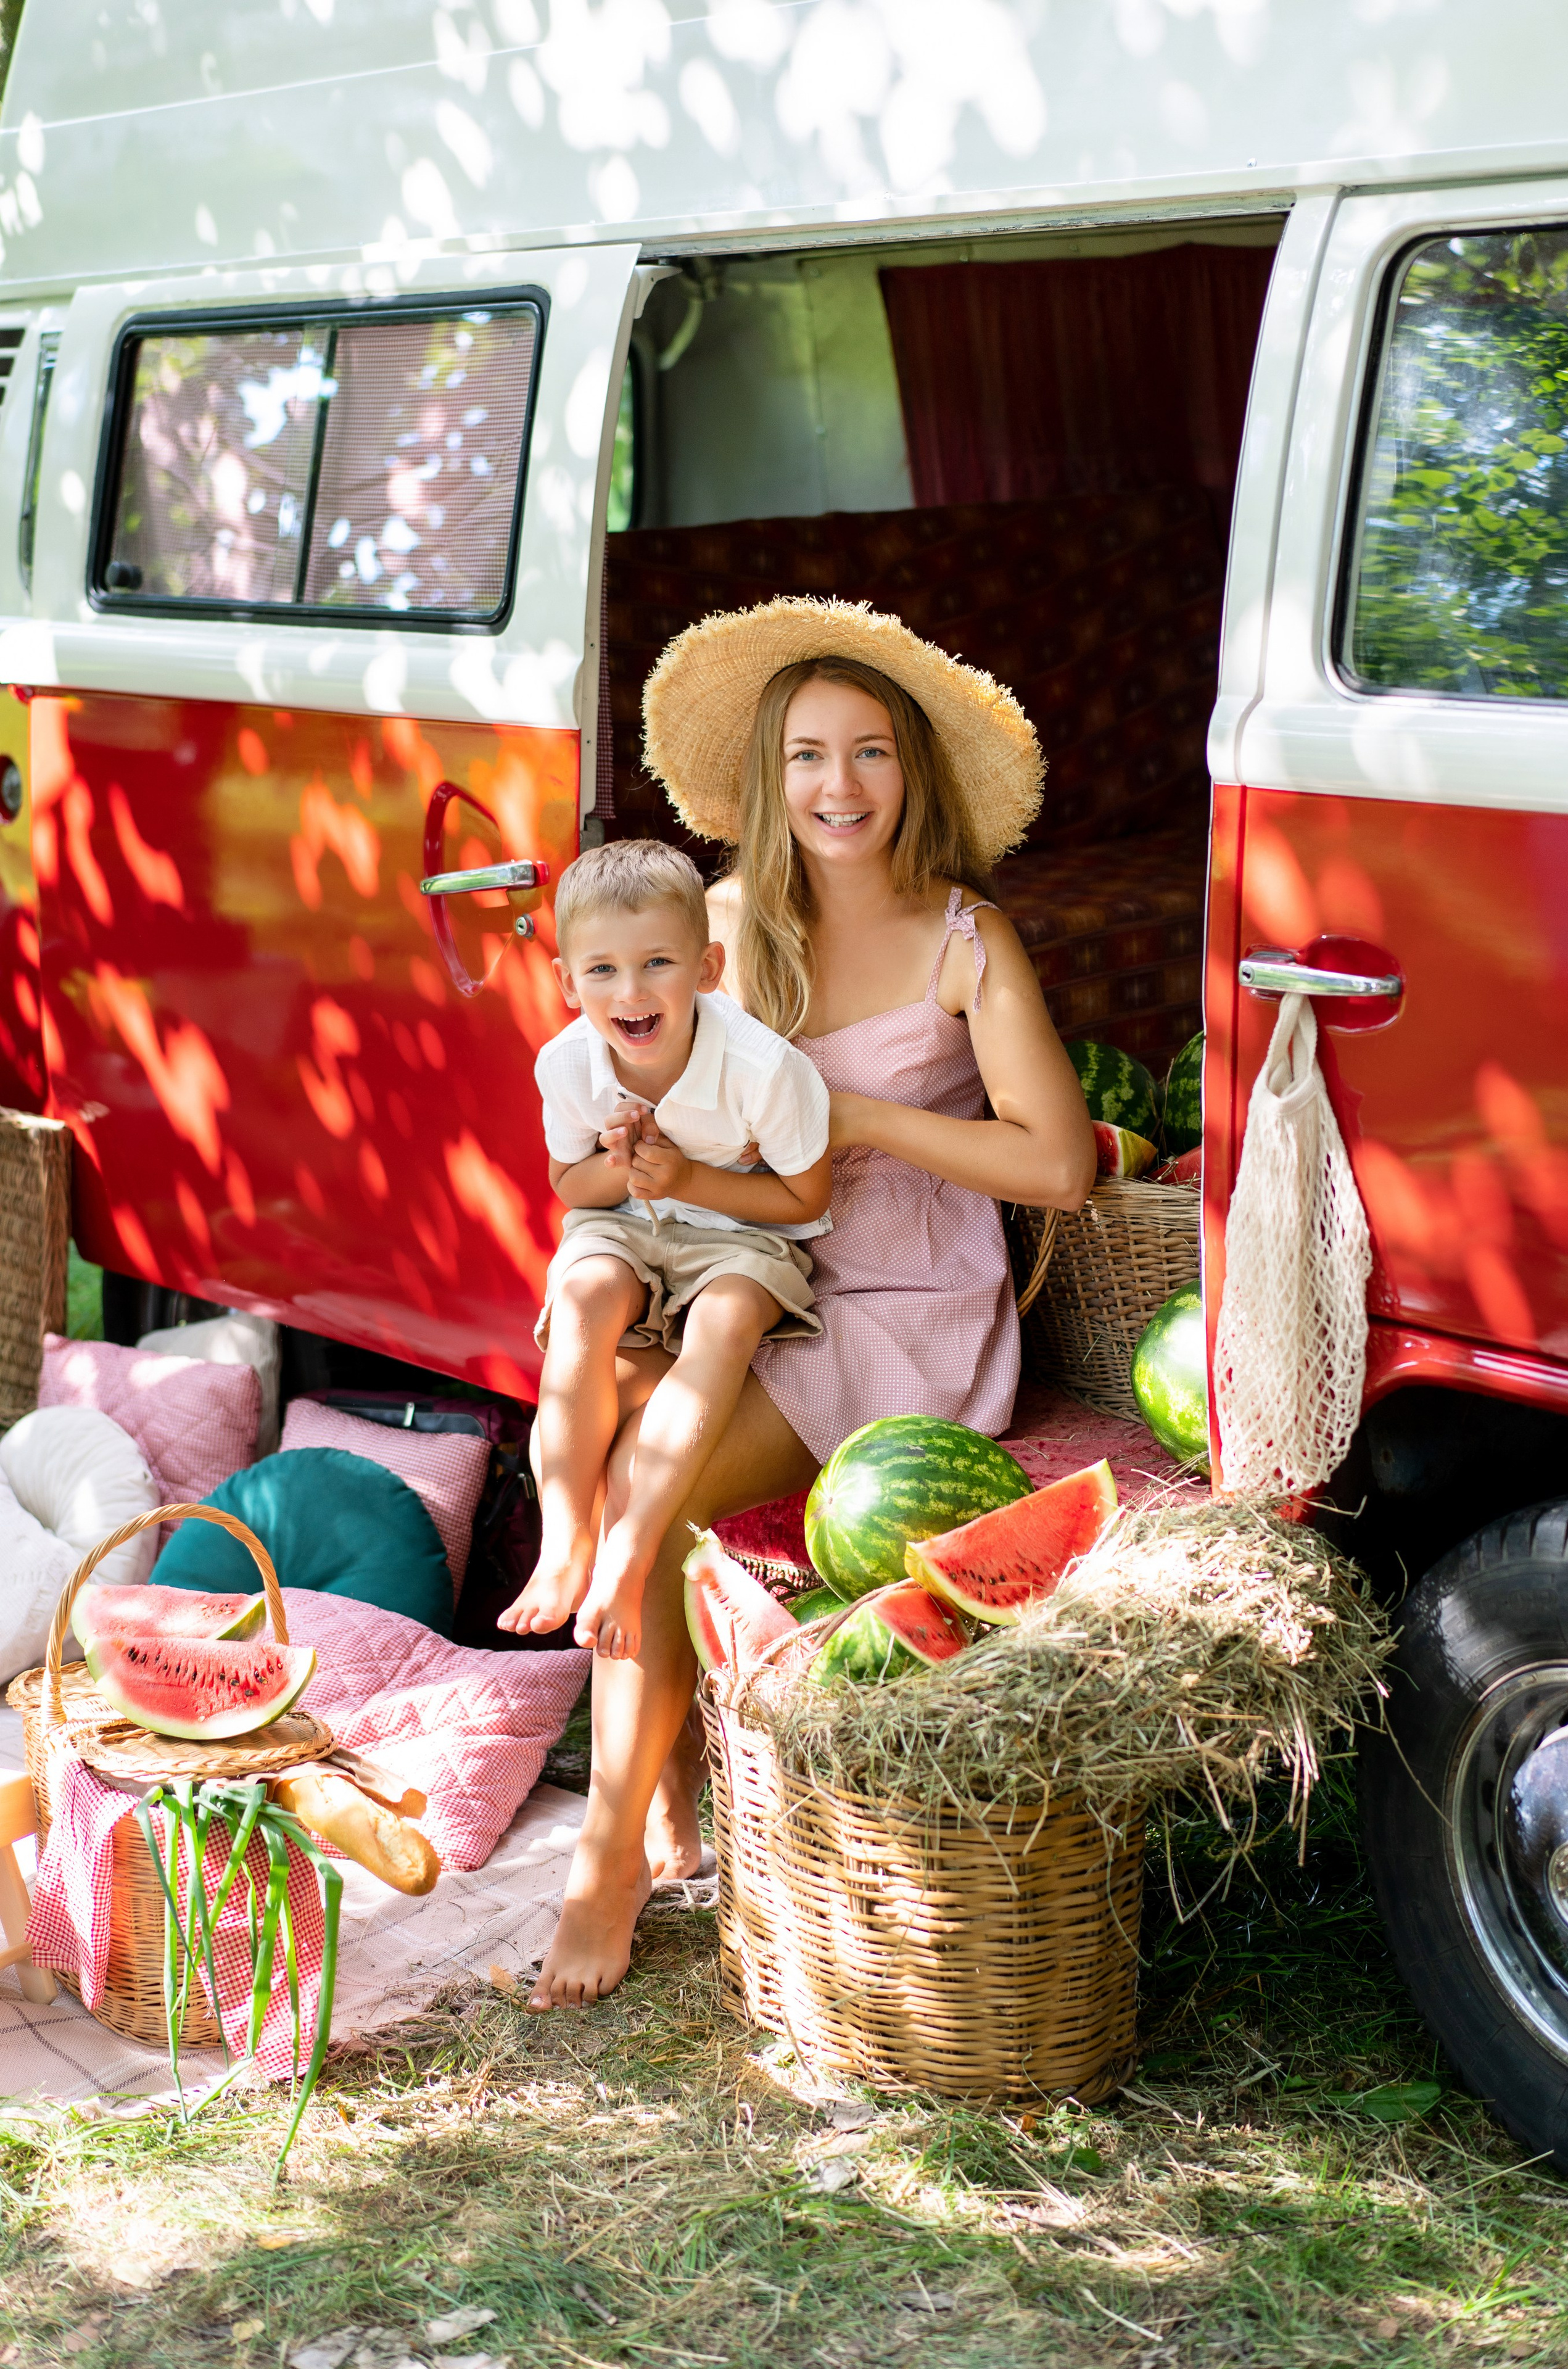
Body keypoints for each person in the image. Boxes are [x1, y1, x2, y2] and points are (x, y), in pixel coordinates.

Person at [529, 598, 1097, 2010]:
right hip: (738, 1254)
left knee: (657, 1480)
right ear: (767, 778)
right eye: (805, 756)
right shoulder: (717, 926)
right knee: (615, 1409)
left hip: (896, 1290)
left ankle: (606, 1860)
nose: (838, 786)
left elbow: (1058, 1165)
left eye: (869, 752)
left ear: (912, 772)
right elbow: (614, 1078)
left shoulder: (963, 937)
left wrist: (862, 1117)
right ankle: (665, 1784)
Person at [502, 838, 833, 1658]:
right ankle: (563, 1542)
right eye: (603, 970)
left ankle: (633, 1544)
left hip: (743, 1234)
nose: (632, 991)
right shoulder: (566, 1064)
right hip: (626, 1224)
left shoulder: (765, 1070)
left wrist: (687, 1177)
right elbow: (570, 1186)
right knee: (584, 1299)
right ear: (567, 982)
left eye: (657, 963)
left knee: (727, 1318)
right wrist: (619, 1167)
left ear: (708, 968)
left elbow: (806, 1199)